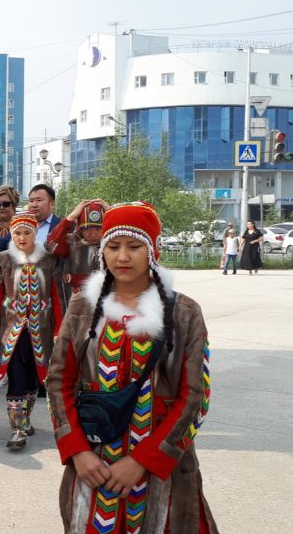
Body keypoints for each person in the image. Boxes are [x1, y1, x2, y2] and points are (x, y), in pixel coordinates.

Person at [46, 201, 217, 534]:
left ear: (152, 250)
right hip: (94, 466)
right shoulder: (82, 307)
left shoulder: (184, 313)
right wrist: (77, 451)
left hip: (161, 471)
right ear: (102, 252)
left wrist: (143, 460)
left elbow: (197, 397)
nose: (122, 257)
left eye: (134, 246)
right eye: (113, 247)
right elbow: (58, 382)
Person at [0, 212, 62, 450]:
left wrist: (59, 330)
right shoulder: (2, 260)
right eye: (17, 232)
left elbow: (57, 298)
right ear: (11, 234)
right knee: (16, 377)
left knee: (33, 379)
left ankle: (25, 419)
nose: (22, 237)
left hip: (41, 331)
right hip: (12, 331)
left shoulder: (48, 261)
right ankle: (17, 430)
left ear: (35, 234)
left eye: (27, 232)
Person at [46, 199, 109, 294]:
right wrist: (70, 218)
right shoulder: (72, 243)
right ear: (80, 229)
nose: (93, 234)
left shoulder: (112, 244)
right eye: (87, 229)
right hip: (75, 298)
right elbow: (51, 246)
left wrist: (113, 213)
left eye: (98, 229)